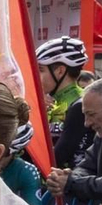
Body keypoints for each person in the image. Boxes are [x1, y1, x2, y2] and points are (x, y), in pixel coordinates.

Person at [34, 36, 88, 167]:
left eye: (41, 70)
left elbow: (56, 158)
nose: (36, 76)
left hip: (68, 182)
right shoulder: (50, 102)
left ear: (60, 71)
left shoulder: (81, 104)